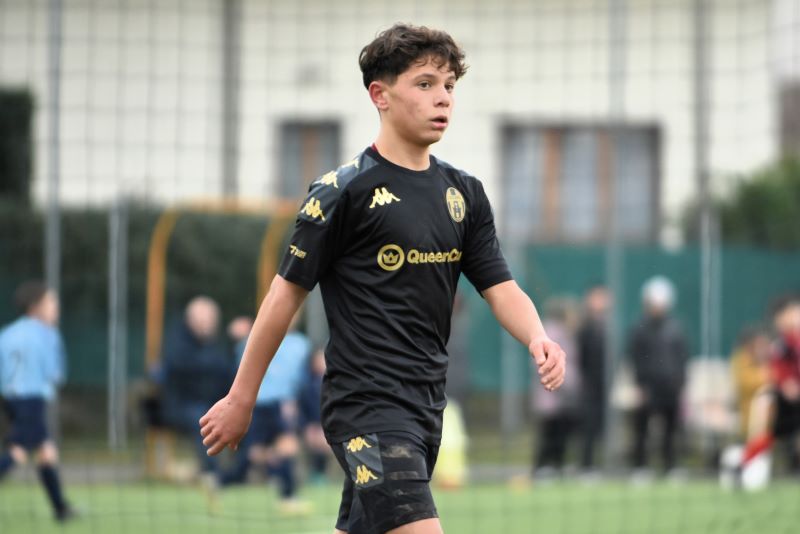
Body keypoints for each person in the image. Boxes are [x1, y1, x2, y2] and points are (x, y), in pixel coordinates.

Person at [199, 23, 566, 534]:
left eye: (449, 86)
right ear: (380, 95)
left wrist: (537, 336)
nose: (443, 98)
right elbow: (283, 298)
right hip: (365, 407)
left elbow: (500, 287)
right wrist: (242, 398)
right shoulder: (340, 193)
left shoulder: (465, 194)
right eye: (425, 84)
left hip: (425, 405)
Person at [222, 311, 311, 513]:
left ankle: (287, 496)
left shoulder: (300, 345)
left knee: (287, 446)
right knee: (255, 454)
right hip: (258, 405)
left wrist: (291, 400)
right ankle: (221, 480)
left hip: (280, 403)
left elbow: (299, 378)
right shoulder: (254, 338)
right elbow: (238, 370)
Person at [0, 281, 74, 522]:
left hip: (9, 399)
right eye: (51, 302)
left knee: (46, 452)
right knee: (18, 453)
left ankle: (61, 508)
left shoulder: (7, 333)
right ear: (35, 307)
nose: (56, 307)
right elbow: (55, 374)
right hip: (32, 400)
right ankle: (61, 509)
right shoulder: (47, 334)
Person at [161, 296, 233, 497]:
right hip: (180, 407)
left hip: (212, 403)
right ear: (190, 320)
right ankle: (212, 475)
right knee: (202, 419)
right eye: (202, 320)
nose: (206, 324)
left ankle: (237, 474)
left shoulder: (218, 345)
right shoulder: (177, 343)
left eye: (210, 320)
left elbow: (227, 373)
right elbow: (180, 367)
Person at [627, 276, 689, 478]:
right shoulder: (639, 328)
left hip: (670, 386)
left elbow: (682, 357)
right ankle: (640, 467)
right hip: (648, 386)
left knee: (671, 430)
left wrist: (681, 383)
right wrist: (639, 384)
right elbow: (635, 358)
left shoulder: (676, 329)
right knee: (642, 429)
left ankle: (670, 466)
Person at [531, 298, 581, 479]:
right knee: (549, 432)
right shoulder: (552, 335)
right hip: (552, 395)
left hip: (561, 397)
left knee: (559, 433)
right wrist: (567, 385)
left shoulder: (563, 334)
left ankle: (555, 466)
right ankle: (543, 467)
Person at [576, 284, 611, 473]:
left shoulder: (608, 326)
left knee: (601, 426)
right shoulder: (584, 326)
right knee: (587, 426)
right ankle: (586, 465)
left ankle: (597, 464)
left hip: (604, 384)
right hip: (587, 384)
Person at [730, 326, 771, 439]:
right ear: (749, 346)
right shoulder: (741, 360)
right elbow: (747, 383)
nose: (764, 348)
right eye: (760, 345)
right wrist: (766, 374)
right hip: (750, 413)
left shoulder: (768, 360)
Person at [298, 348, 331, 485]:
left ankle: (320, 474)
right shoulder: (307, 386)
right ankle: (316, 474)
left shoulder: (335, 385)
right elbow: (302, 410)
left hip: (330, 425)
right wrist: (307, 427)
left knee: (324, 441)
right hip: (312, 426)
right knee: (315, 440)